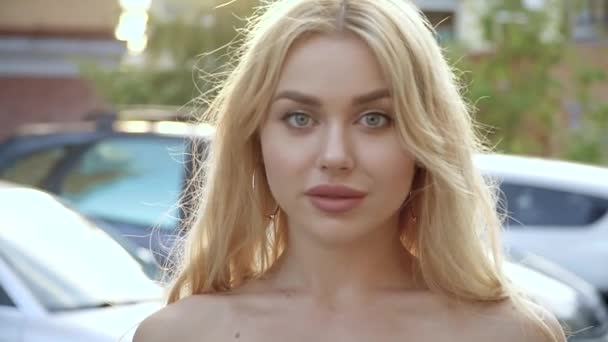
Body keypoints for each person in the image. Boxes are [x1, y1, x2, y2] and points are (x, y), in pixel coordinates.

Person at [134, 0, 567, 341]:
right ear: (255, 140)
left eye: (374, 118)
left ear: (425, 140)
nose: (336, 156)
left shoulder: (510, 334)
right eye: (300, 118)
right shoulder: (177, 334)